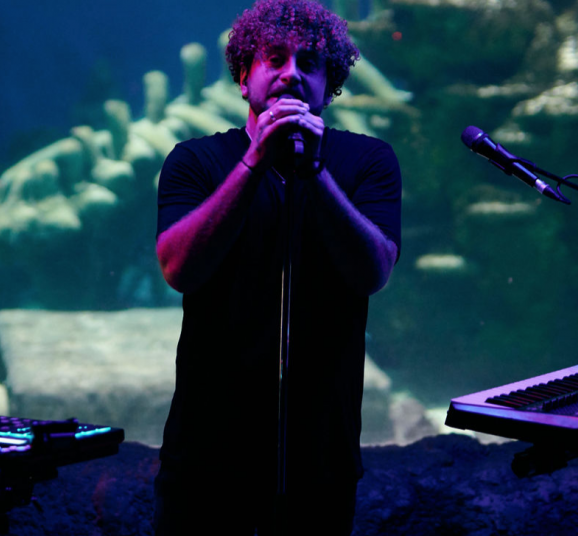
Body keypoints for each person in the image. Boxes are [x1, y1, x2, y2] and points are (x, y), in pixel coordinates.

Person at [153, 0, 401, 533]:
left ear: (329, 85)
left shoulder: (369, 161)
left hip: (322, 455)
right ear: (244, 77)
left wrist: (314, 171)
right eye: (274, 58)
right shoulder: (194, 161)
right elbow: (178, 268)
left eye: (309, 63)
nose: (291, 73)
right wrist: (254, 162)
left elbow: (373, 273)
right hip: (206, 455)